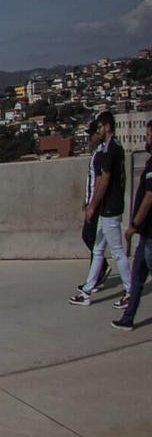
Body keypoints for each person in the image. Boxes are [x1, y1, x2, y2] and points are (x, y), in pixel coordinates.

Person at [72, 112, 127, 307]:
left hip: (108, 207)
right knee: (97, 249)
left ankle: (129, 290)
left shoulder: (109, 151)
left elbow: (102, 182)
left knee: (117, 252)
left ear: (107, 127)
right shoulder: (112, 149)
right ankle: (87, 290)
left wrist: (92, 205)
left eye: (99, 128)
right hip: (107, 207)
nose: (96, 132)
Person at [111, 120, 152, 331]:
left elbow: (150, 197)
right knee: (136, 281)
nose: (146, 138)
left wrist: (134, 224)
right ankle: (128, 318)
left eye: (148, 134)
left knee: (138, 279)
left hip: (149, 235)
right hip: (145, 236)